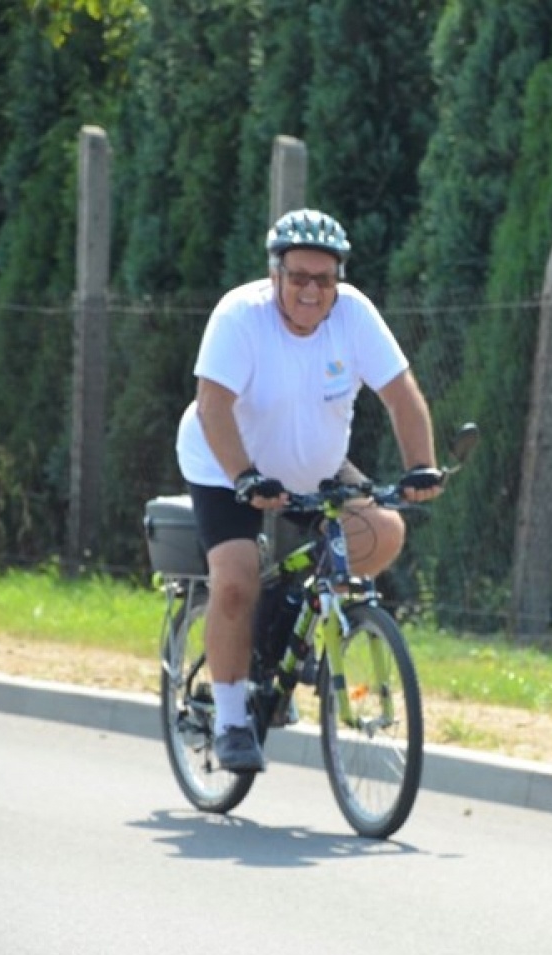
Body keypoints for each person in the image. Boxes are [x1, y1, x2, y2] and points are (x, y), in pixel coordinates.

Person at [174, 207, 444, 774]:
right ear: (275, 273)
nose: (311, 290)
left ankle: (279, 637)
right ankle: (228, 721)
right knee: (233, 582)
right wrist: (245, 477)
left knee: (382, 535)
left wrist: (421, 465)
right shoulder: (240, 317)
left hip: (313, 466)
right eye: (298, 276)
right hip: (226, 465)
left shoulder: (355, 316)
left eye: (324, 279)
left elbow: (401, 394)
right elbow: (213, 406)